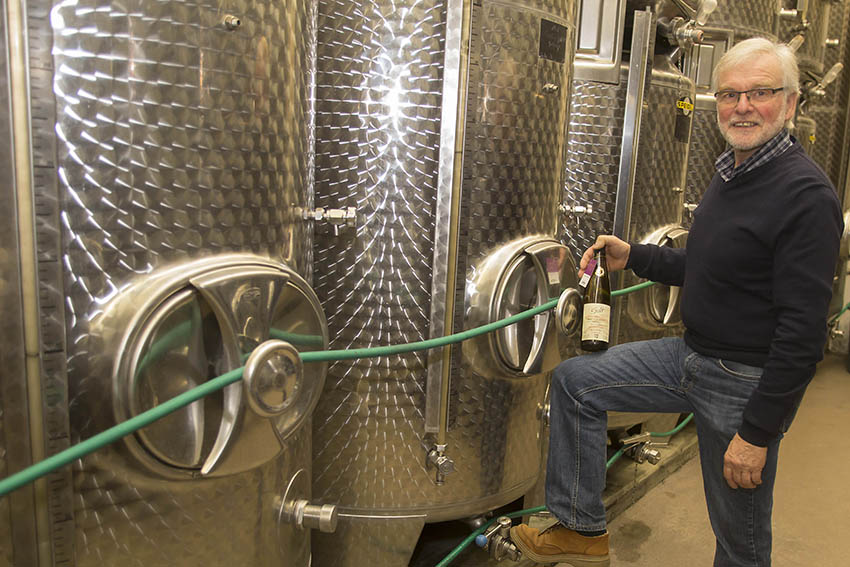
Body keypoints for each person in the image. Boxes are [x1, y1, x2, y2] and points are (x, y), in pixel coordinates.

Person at [510, 37, 843, 567]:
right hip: (689, 357)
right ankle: (581, 531)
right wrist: (634, 257)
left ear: (792, 101)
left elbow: (803, 332)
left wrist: (755, 433)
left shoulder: (804, 195)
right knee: (576, 382)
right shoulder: (732, 171)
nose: (742, 107)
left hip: (744, 382)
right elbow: (708, 267)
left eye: (759, 92)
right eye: (730, 94)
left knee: (740, 542)